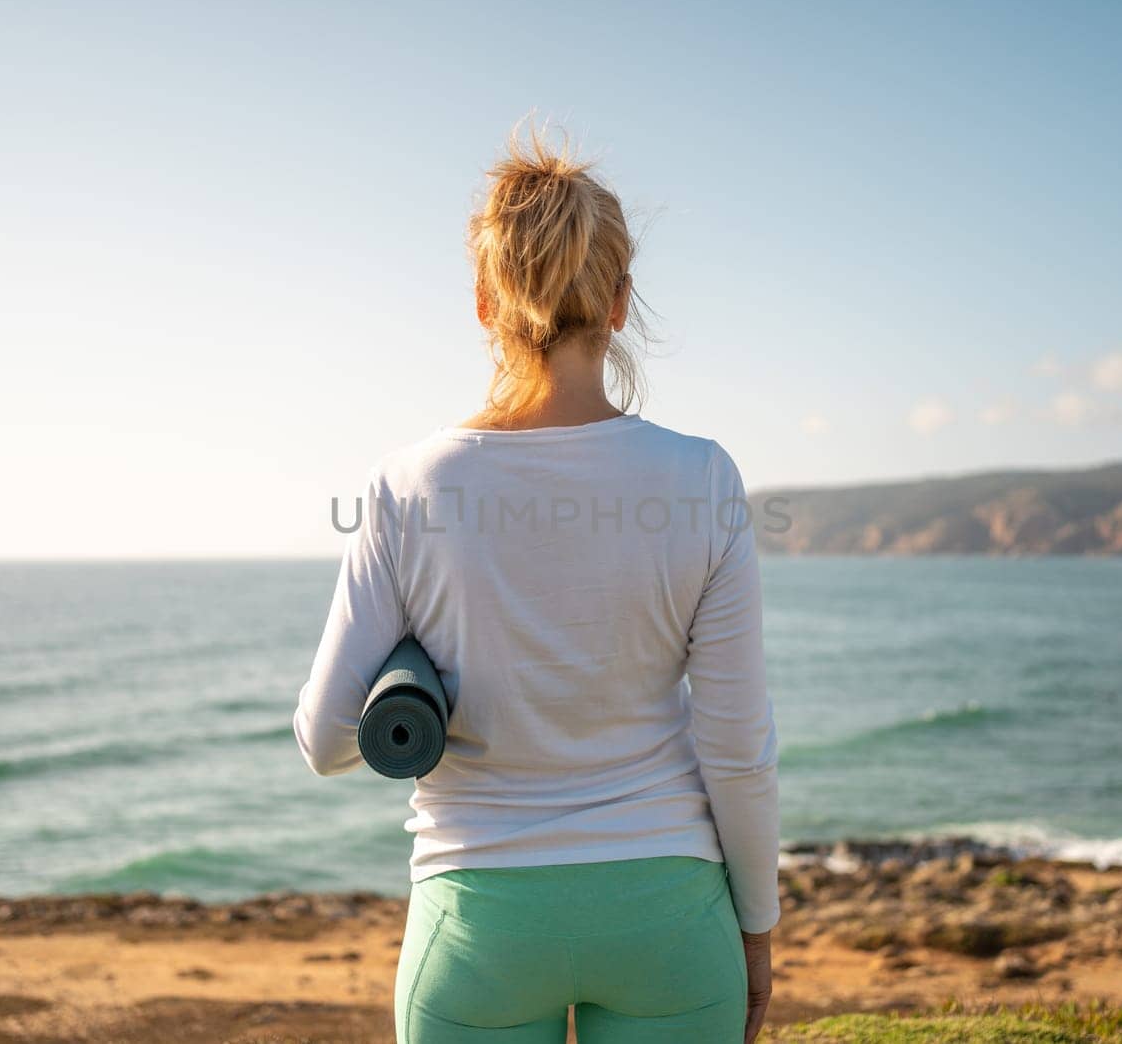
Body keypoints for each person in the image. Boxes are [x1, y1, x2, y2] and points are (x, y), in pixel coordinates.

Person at [293, 122, 781, 1043]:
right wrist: (756, 929)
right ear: (622, 302)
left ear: (485, 302)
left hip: (477, 927)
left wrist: (424, 682)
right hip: (671, 918)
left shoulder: (408, 485)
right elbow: (738, 750)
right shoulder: (705, 477)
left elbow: (325, 738)